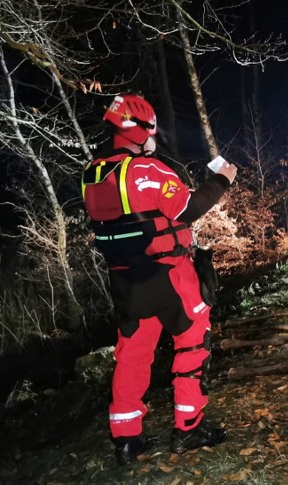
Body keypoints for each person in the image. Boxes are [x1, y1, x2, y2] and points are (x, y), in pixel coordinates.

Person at [81, 94, 237, 464]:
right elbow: (189, 208)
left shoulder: (93, 174)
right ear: (140, 129)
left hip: (125, 282)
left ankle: (126, 439)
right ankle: (189, 427)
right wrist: (222, 179)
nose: (154, 135)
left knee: (132, 356)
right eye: (151, 128)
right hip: (169, 275)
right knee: (193, 344)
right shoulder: (147, 171)